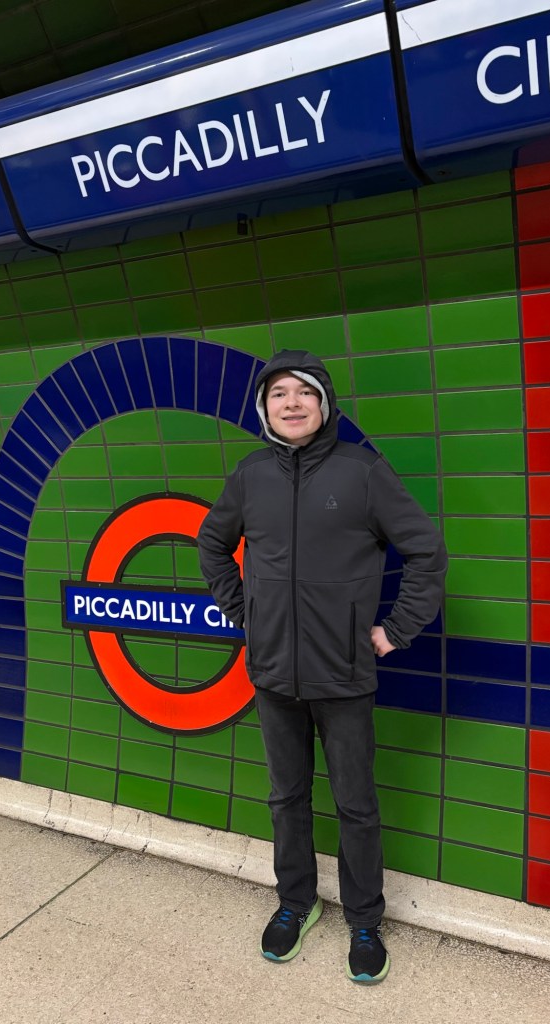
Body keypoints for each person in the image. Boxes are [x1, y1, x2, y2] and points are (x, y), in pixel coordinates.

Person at [197, 349, 447, 984]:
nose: (292, 403)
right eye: (279, 393)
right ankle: (295, 902)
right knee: (287, 798)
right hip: (273, 672)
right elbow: (212, 544)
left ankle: (364, 920)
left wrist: (394, 631)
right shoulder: (251, 474)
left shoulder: (362, 472)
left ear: (324, 403)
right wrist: (246, 614)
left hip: (343, 673)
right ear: (265, 409)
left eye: (303, 392)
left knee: (355, 803)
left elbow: (426, 551)